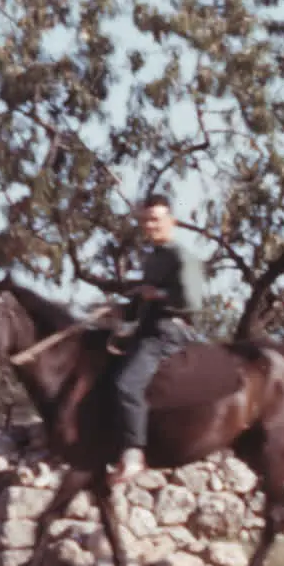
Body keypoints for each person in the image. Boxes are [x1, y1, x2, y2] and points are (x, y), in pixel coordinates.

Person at [108, 193, 206, 485]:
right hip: (149, 326)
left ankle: (134, 455)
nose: (150, 225)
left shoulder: (181, 256)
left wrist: (157, 294)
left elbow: (192, 301)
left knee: (126, 384)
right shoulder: (153, 258)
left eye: (155, 220)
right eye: (145, 220)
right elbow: (143, 304)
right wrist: (121, 309)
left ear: (171, 221)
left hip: (170, 330)